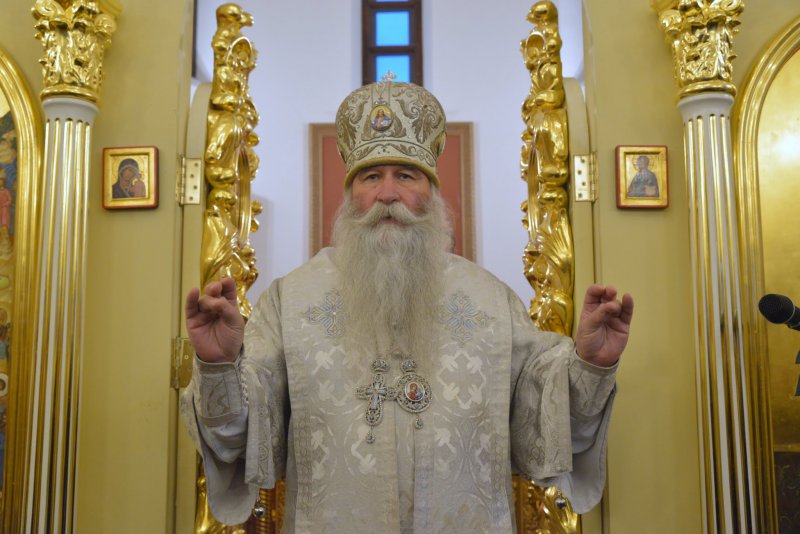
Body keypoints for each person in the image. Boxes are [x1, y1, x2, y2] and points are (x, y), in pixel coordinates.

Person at [181, 81, 634, 532]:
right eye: (371, 177)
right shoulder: (293, 301)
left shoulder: (490, 302)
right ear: (351, 195)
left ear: (431, 193)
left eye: (406, 176)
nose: (388, 194)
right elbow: (239, 439)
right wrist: (218, 365)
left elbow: (551, 427)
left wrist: (590, 365)